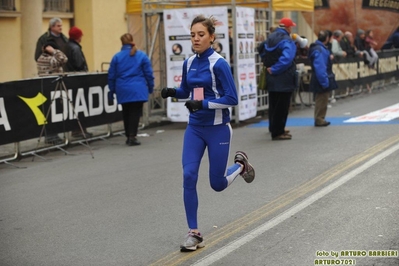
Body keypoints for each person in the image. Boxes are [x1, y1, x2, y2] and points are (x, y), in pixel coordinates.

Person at [160, 15, 255, 252]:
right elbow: (186, 91)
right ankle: (193, 232)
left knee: (217, 184)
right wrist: (172, 91)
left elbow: (231, 99)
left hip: (217, 129)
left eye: (201, 35)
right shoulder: (189, 61)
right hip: (194, 128)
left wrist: (202, 105)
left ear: (212, 37)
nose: (196, 39)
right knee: (189, 175)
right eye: (192, 35)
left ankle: (241, 167)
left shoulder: (219, 64)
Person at [108, 33, 154, 146]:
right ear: (132, 41)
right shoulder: (141, 56)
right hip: (138, 88)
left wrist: (112, 90)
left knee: (126, 112)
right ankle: (132, 136)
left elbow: (111, 75)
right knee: (135, 112)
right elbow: (148, 73)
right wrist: (151, 86)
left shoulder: (117, 57)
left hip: (122, 88)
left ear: (122, 43)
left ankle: (128, 134)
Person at [263, 17, 297, 140]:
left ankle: (274, 127)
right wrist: (275, 68)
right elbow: (287, 58)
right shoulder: (287, 40)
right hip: (284, 77)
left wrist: (268, 66)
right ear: (288, 28)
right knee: (282, 106)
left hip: (272, 78)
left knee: (273, 105)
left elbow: (261, 49)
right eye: (291, 26)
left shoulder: (271, 37)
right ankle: (278, 131)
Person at [36, 40, 68, 144]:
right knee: (50, 112)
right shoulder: (46, 59)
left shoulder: (45, 58)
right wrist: (54, 51)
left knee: (53, 112)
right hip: (50, 87)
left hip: (51, 87)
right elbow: (64, 59)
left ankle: (53, 134)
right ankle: (50, 135)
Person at [64, 26, 92, 138]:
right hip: (78, 80)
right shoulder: (75, 48)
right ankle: (80, 130)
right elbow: (79, 64)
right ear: (78, 36)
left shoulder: (66, 46)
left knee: (74, 105)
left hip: (70, 79)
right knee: (80, 105)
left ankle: (76, 129)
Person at [308, 30, 338, 127]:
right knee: (322, 98)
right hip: (321, 78)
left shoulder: (318, 48)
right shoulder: (320, 50)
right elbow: (320, 67)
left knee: (322, 98)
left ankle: (320, 118)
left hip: (319, 76)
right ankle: (319, 118)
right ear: (327, 38)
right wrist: (325, 82)